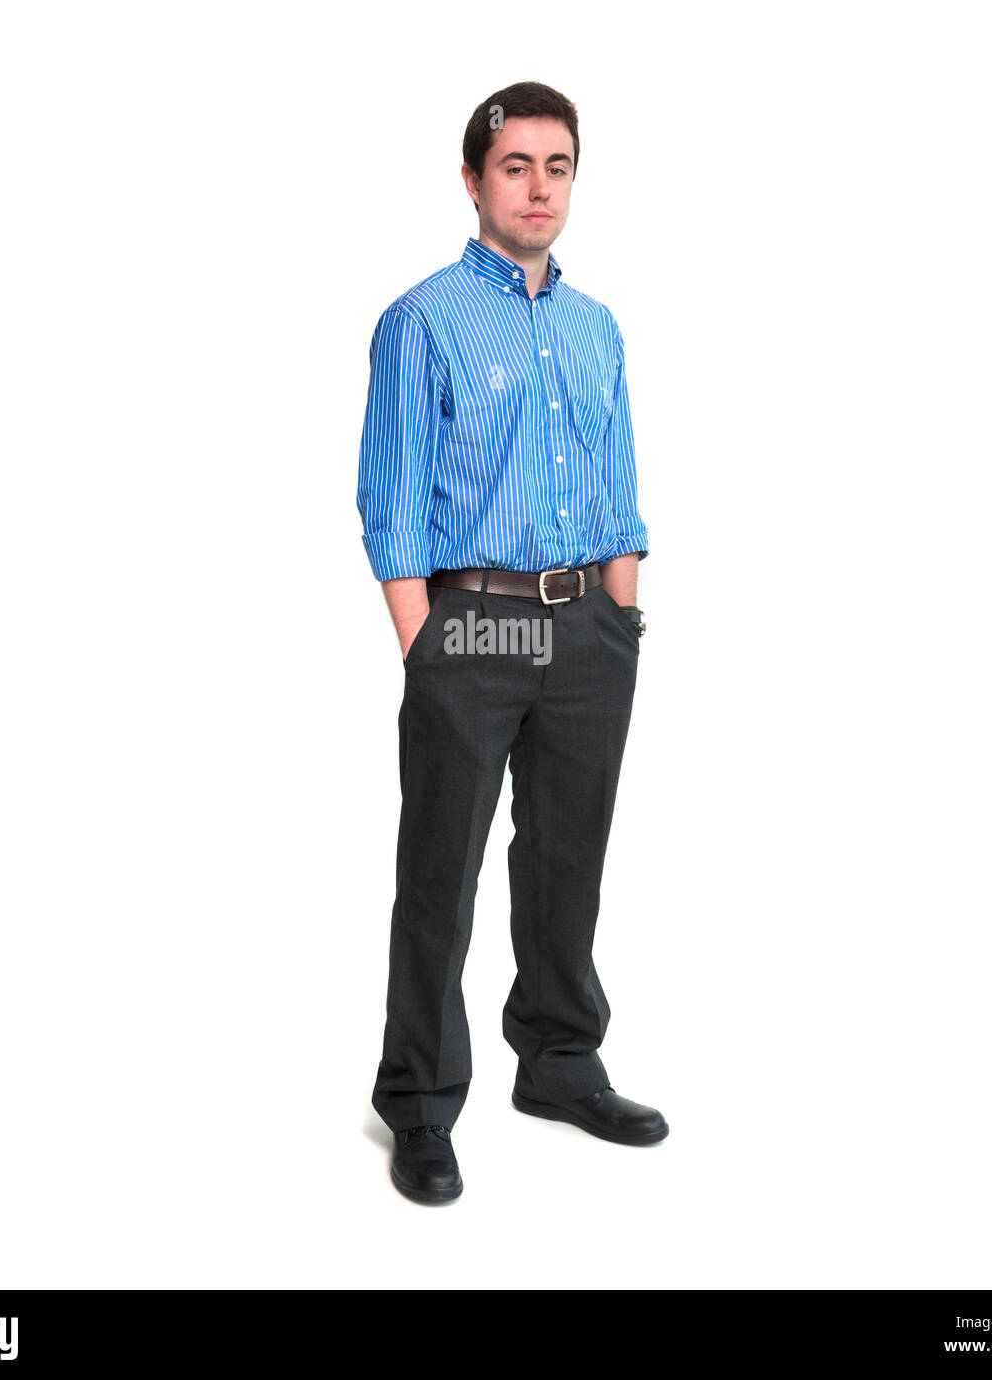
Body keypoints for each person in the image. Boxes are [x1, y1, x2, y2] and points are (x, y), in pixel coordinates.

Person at [356, 80, 667, 1205]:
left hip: (589, 620)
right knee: (437, 869)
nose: (538, 187)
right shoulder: (422, 319)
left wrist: (619, 614)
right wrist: (424, 643)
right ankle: (422, 1101)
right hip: (469, 619)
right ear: (473, 179)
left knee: (564, 858)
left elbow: (618, 482)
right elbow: (388, 503)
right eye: (515, 166)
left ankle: (558, 1060)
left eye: (558, 166)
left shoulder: (596, 329)